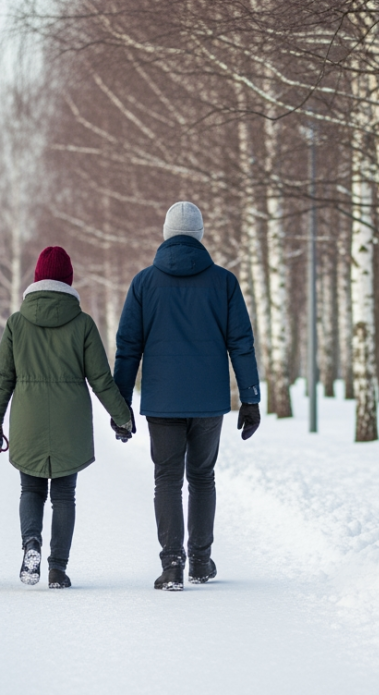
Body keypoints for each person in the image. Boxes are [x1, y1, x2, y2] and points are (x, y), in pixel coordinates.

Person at [113, 201, 261, 591]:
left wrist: (120, 403)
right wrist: (250, 398)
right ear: (199, 234)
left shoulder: (144, 283)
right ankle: (200, 560)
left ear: (165, 233)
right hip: (209, 401)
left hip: (162, 402)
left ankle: (172, 565)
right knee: (202, 478)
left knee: (166, 480)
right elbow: (241, 343)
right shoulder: (224, 282)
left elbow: (128, 346)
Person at [0, 246, 134, 589]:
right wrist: (122, 417)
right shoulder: (82, 324)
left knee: (30, 490)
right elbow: (101, 379)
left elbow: (2, 378)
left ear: (35, 278)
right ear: (69, 279)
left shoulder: (16, 323)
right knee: (64, 496)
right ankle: (57, 569)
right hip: (71, 424)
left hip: (28, 421)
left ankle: (31, 543)